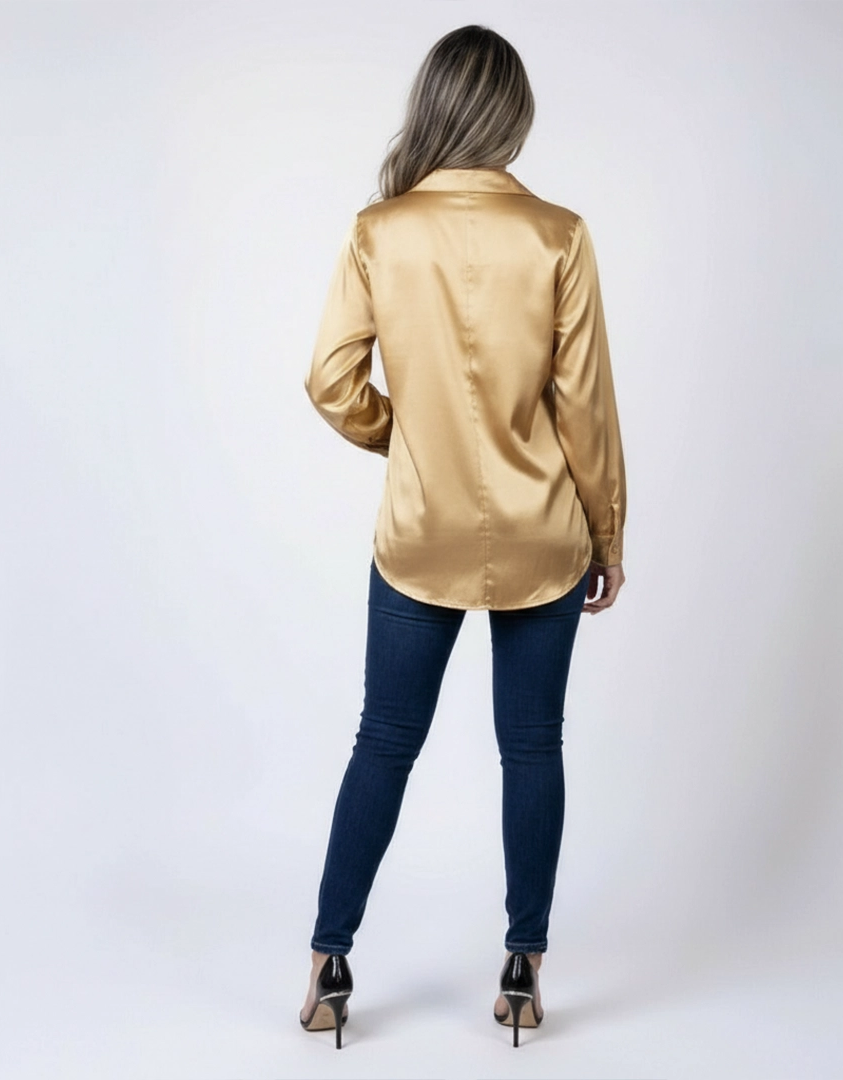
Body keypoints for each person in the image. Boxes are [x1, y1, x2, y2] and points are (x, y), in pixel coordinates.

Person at [298, 24, 627, 1049]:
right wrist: (608, 533)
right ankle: (524, 970)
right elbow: (586, 410)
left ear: (435, 104)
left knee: (383, 742)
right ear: (512, 113)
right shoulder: (559, 235)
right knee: (532, 748)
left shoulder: (379, 230)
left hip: (420, 530)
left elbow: (330, 381)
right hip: (543, 533)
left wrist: (406, 437)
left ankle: (328, 964)